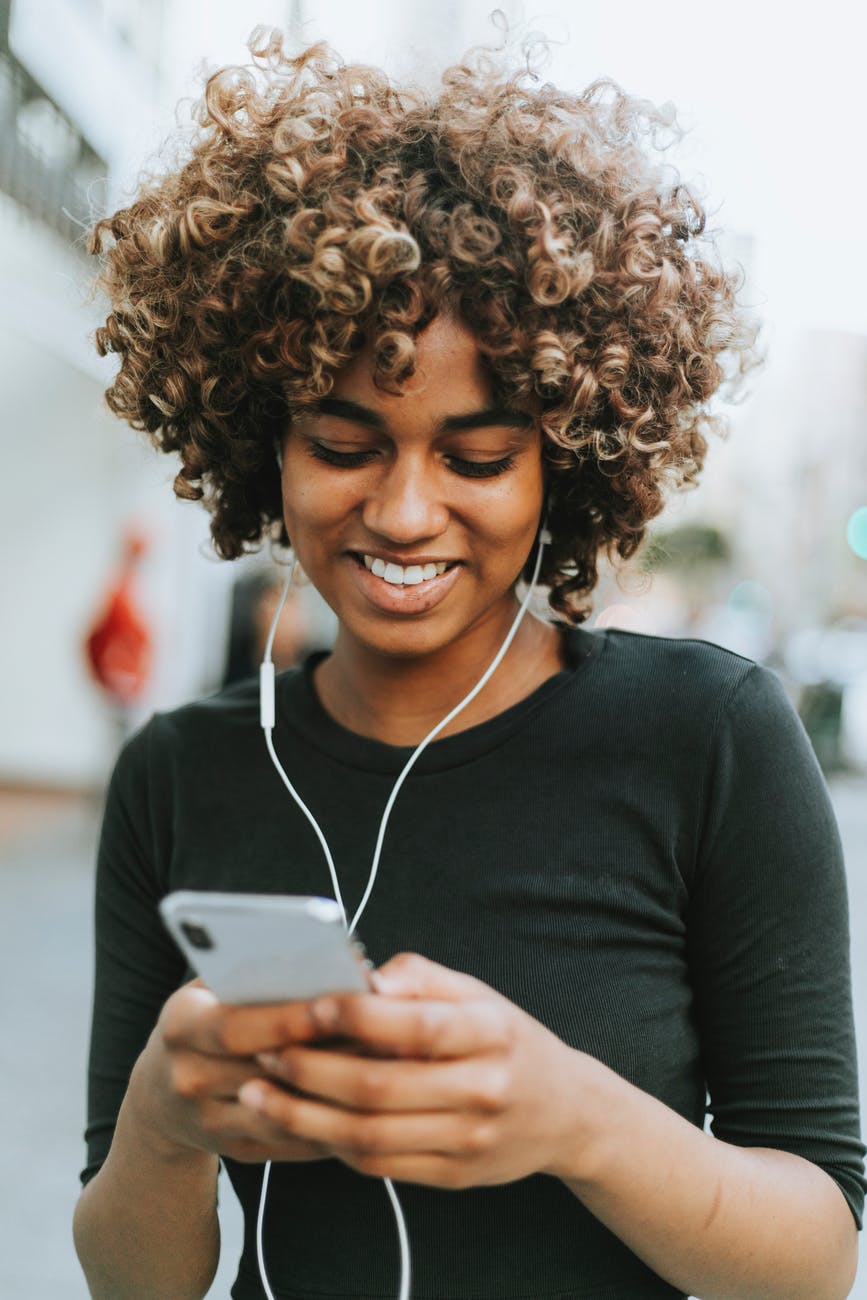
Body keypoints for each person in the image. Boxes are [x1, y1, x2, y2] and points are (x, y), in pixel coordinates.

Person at [73, 30, 864, 1300]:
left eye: (479, 458)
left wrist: (575, 1122)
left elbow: (817, 1258)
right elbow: (133, 1280)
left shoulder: (708, 738)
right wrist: (165, 1122)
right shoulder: (183, 771)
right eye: (344, 441)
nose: (401, 511)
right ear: (260, 443)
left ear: (566, 458)